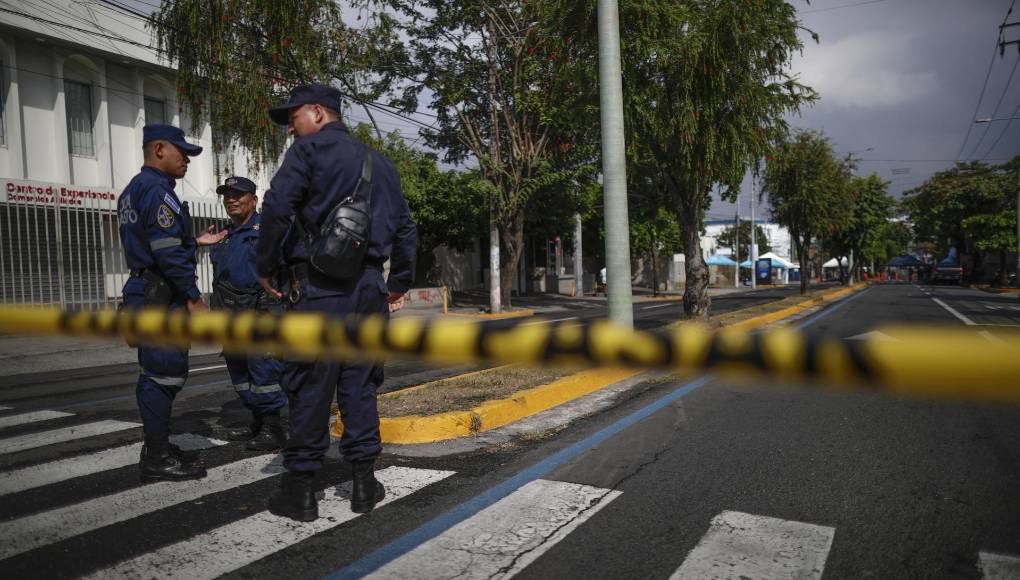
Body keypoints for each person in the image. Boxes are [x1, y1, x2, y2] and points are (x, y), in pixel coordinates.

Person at [255, 84, 418, 521]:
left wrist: (266, 264)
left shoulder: (308, 152)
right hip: (369, 289)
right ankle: (364, 483)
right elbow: (405, 230)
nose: (290, 127)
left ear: (317, 113)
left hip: (321, 288)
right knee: (360, 383)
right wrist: (397, 283)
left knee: (311, 382)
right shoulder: (383, 164)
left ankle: (301, 490)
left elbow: (276, 207)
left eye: (293, 117)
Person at [118, 124, 226, 482]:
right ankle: (157, 456)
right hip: (161, 298)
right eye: (183, 153)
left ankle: (156, 446)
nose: (188, 161)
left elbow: (153, 244)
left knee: (154, 374)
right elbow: (167, 255)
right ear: (159, 149)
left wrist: (193, 241)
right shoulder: (158, 192)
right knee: (164, 375)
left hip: (143, 292)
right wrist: (194, 299)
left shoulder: (133, 191)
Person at [209, 176, 288, 451]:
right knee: (240, 374)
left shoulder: (268, 229)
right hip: (229, 316)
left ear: (254, 200)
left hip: (260, 312)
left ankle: (272, 427)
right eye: (227, 195)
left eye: (238, 194)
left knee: (263, 370)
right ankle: (257, 421)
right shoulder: (224, 235)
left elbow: (287, 268)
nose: (231, 199)